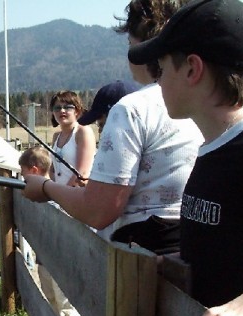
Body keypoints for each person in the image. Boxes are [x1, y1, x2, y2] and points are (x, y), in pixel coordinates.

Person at [128, 0, 243, 316]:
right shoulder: (212, 150)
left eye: (162, 69)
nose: (158, 81)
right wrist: (177, 264)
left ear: (193, 70)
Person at [22, 0, 204, 256]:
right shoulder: (203, 102)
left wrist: (44, 187)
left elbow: (98, 211)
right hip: (190, 252)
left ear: (146, 48)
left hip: (135, 263)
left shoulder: (132, 109)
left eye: (130, 45)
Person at [19, 146, 89, 316]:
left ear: (33, 171)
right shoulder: (37, 192)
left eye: (23, 172)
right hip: (43, 250)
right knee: (48, 289)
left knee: (62, 294)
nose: (22, 178)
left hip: (60, 251)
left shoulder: (55, 195)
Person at [49, 91, 96, 187]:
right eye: (57, 108)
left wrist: (63, 193)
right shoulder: (56, 136)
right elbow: (53, 170)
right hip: (60, 196)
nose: (62, 111)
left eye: (67, 107)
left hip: (78, 195)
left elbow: (82, 172)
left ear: (77, 111)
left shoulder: (83, 132)